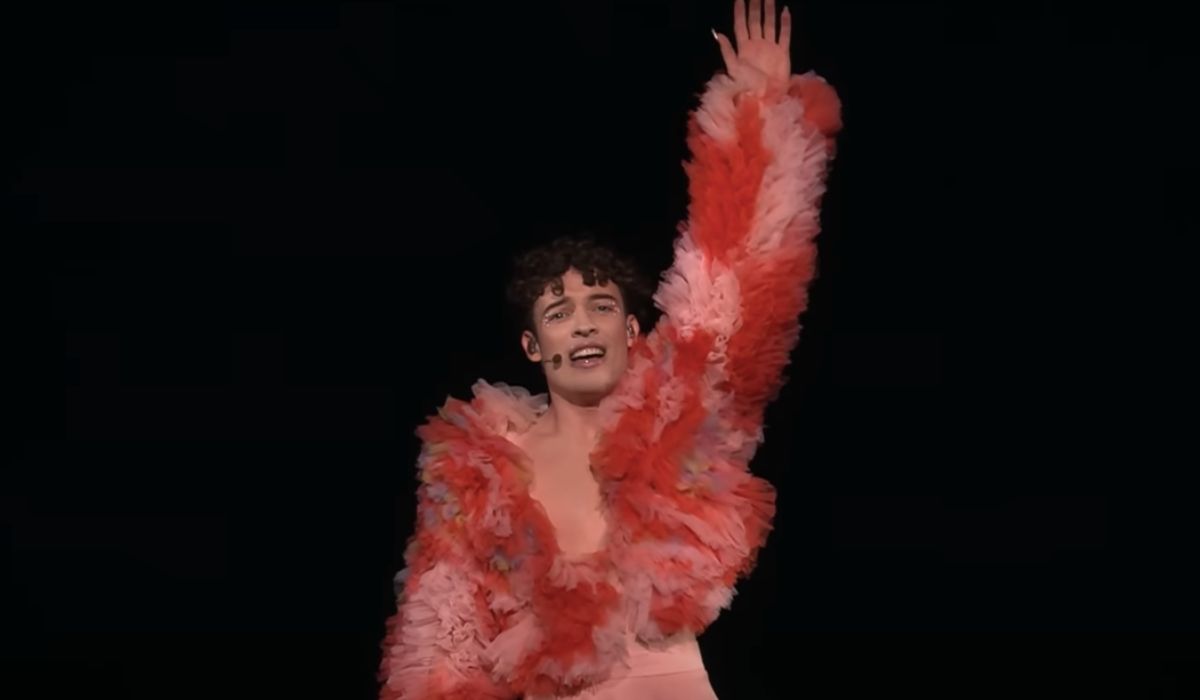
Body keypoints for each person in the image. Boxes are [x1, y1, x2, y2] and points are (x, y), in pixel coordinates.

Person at [377, 0, 842, 697]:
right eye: (559, 313)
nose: (583, 325)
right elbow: (442, 641)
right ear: (533, 345)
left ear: (630, 333)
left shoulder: (675, 422)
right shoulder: (481, 474)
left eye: (601, 308)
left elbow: (738, 282)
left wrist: (761, 111)